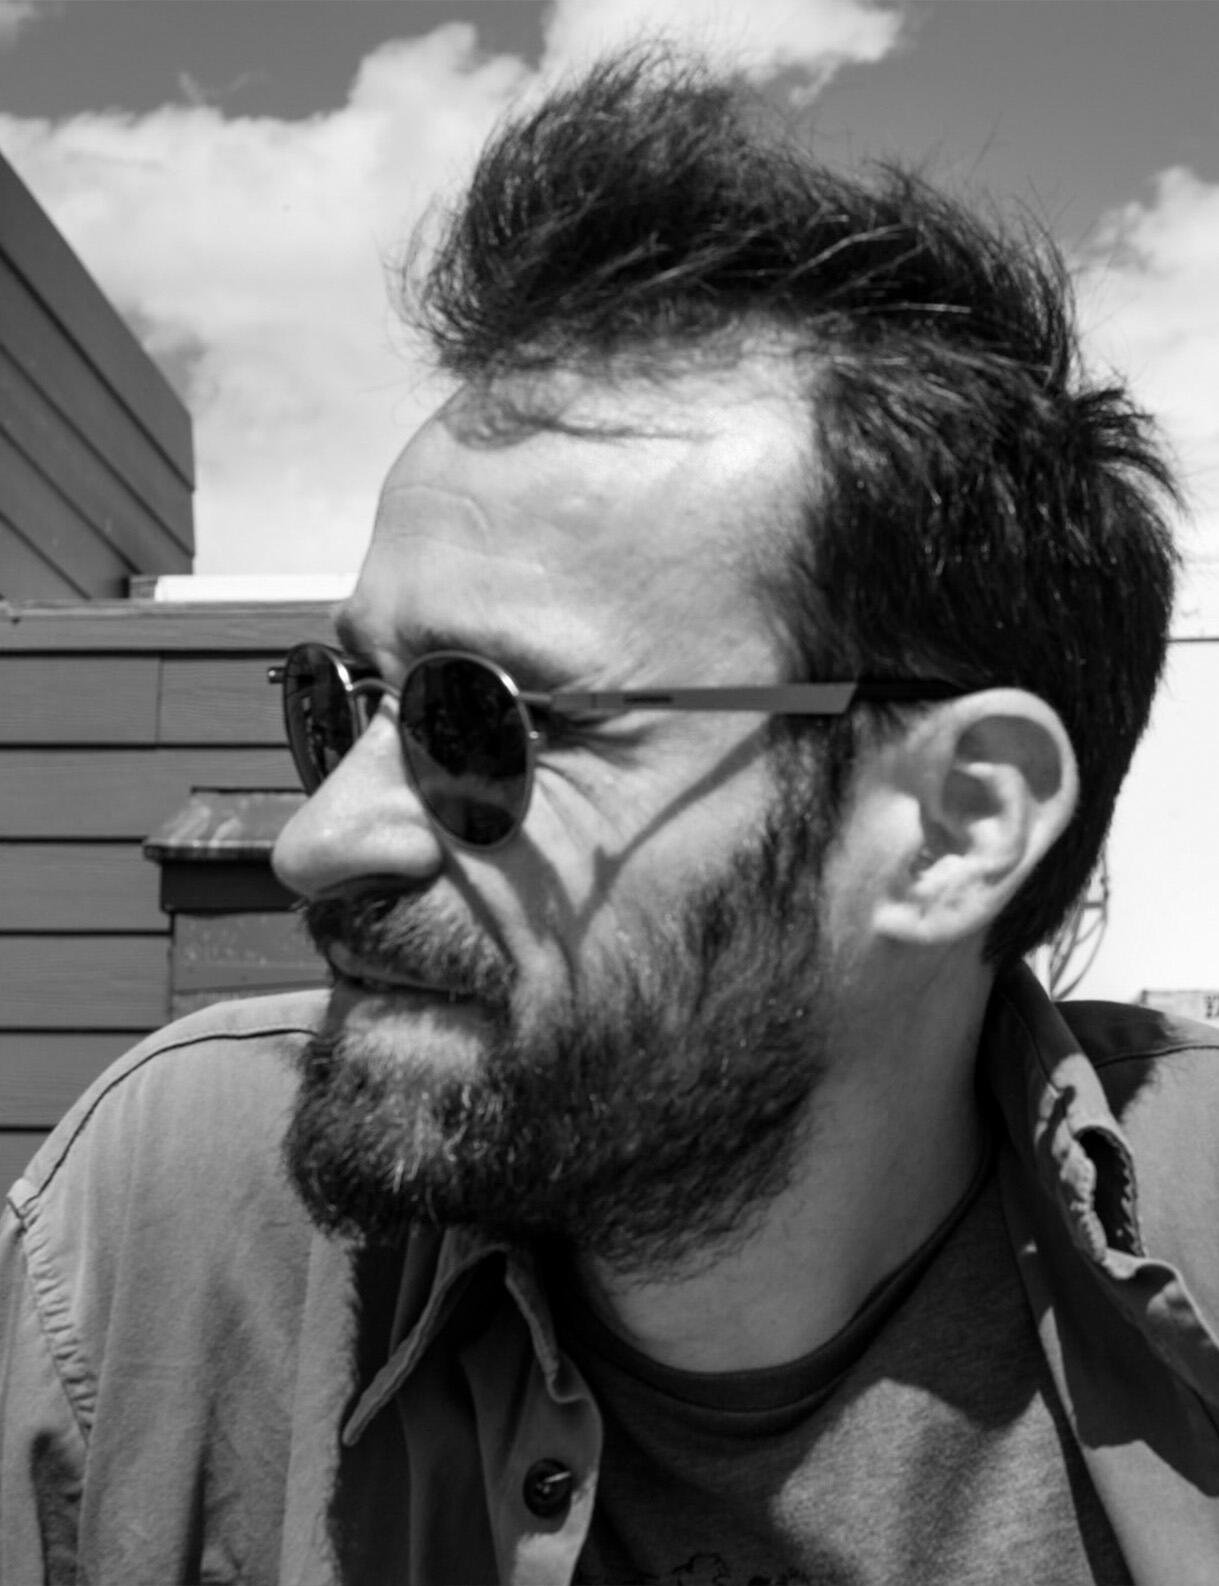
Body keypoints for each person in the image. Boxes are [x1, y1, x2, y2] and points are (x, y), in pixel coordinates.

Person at [2, 46, 1216, 1586]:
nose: (317, 843)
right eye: (341, 701)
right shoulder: (170, 1215)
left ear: (954, 824)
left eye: (484, 723)